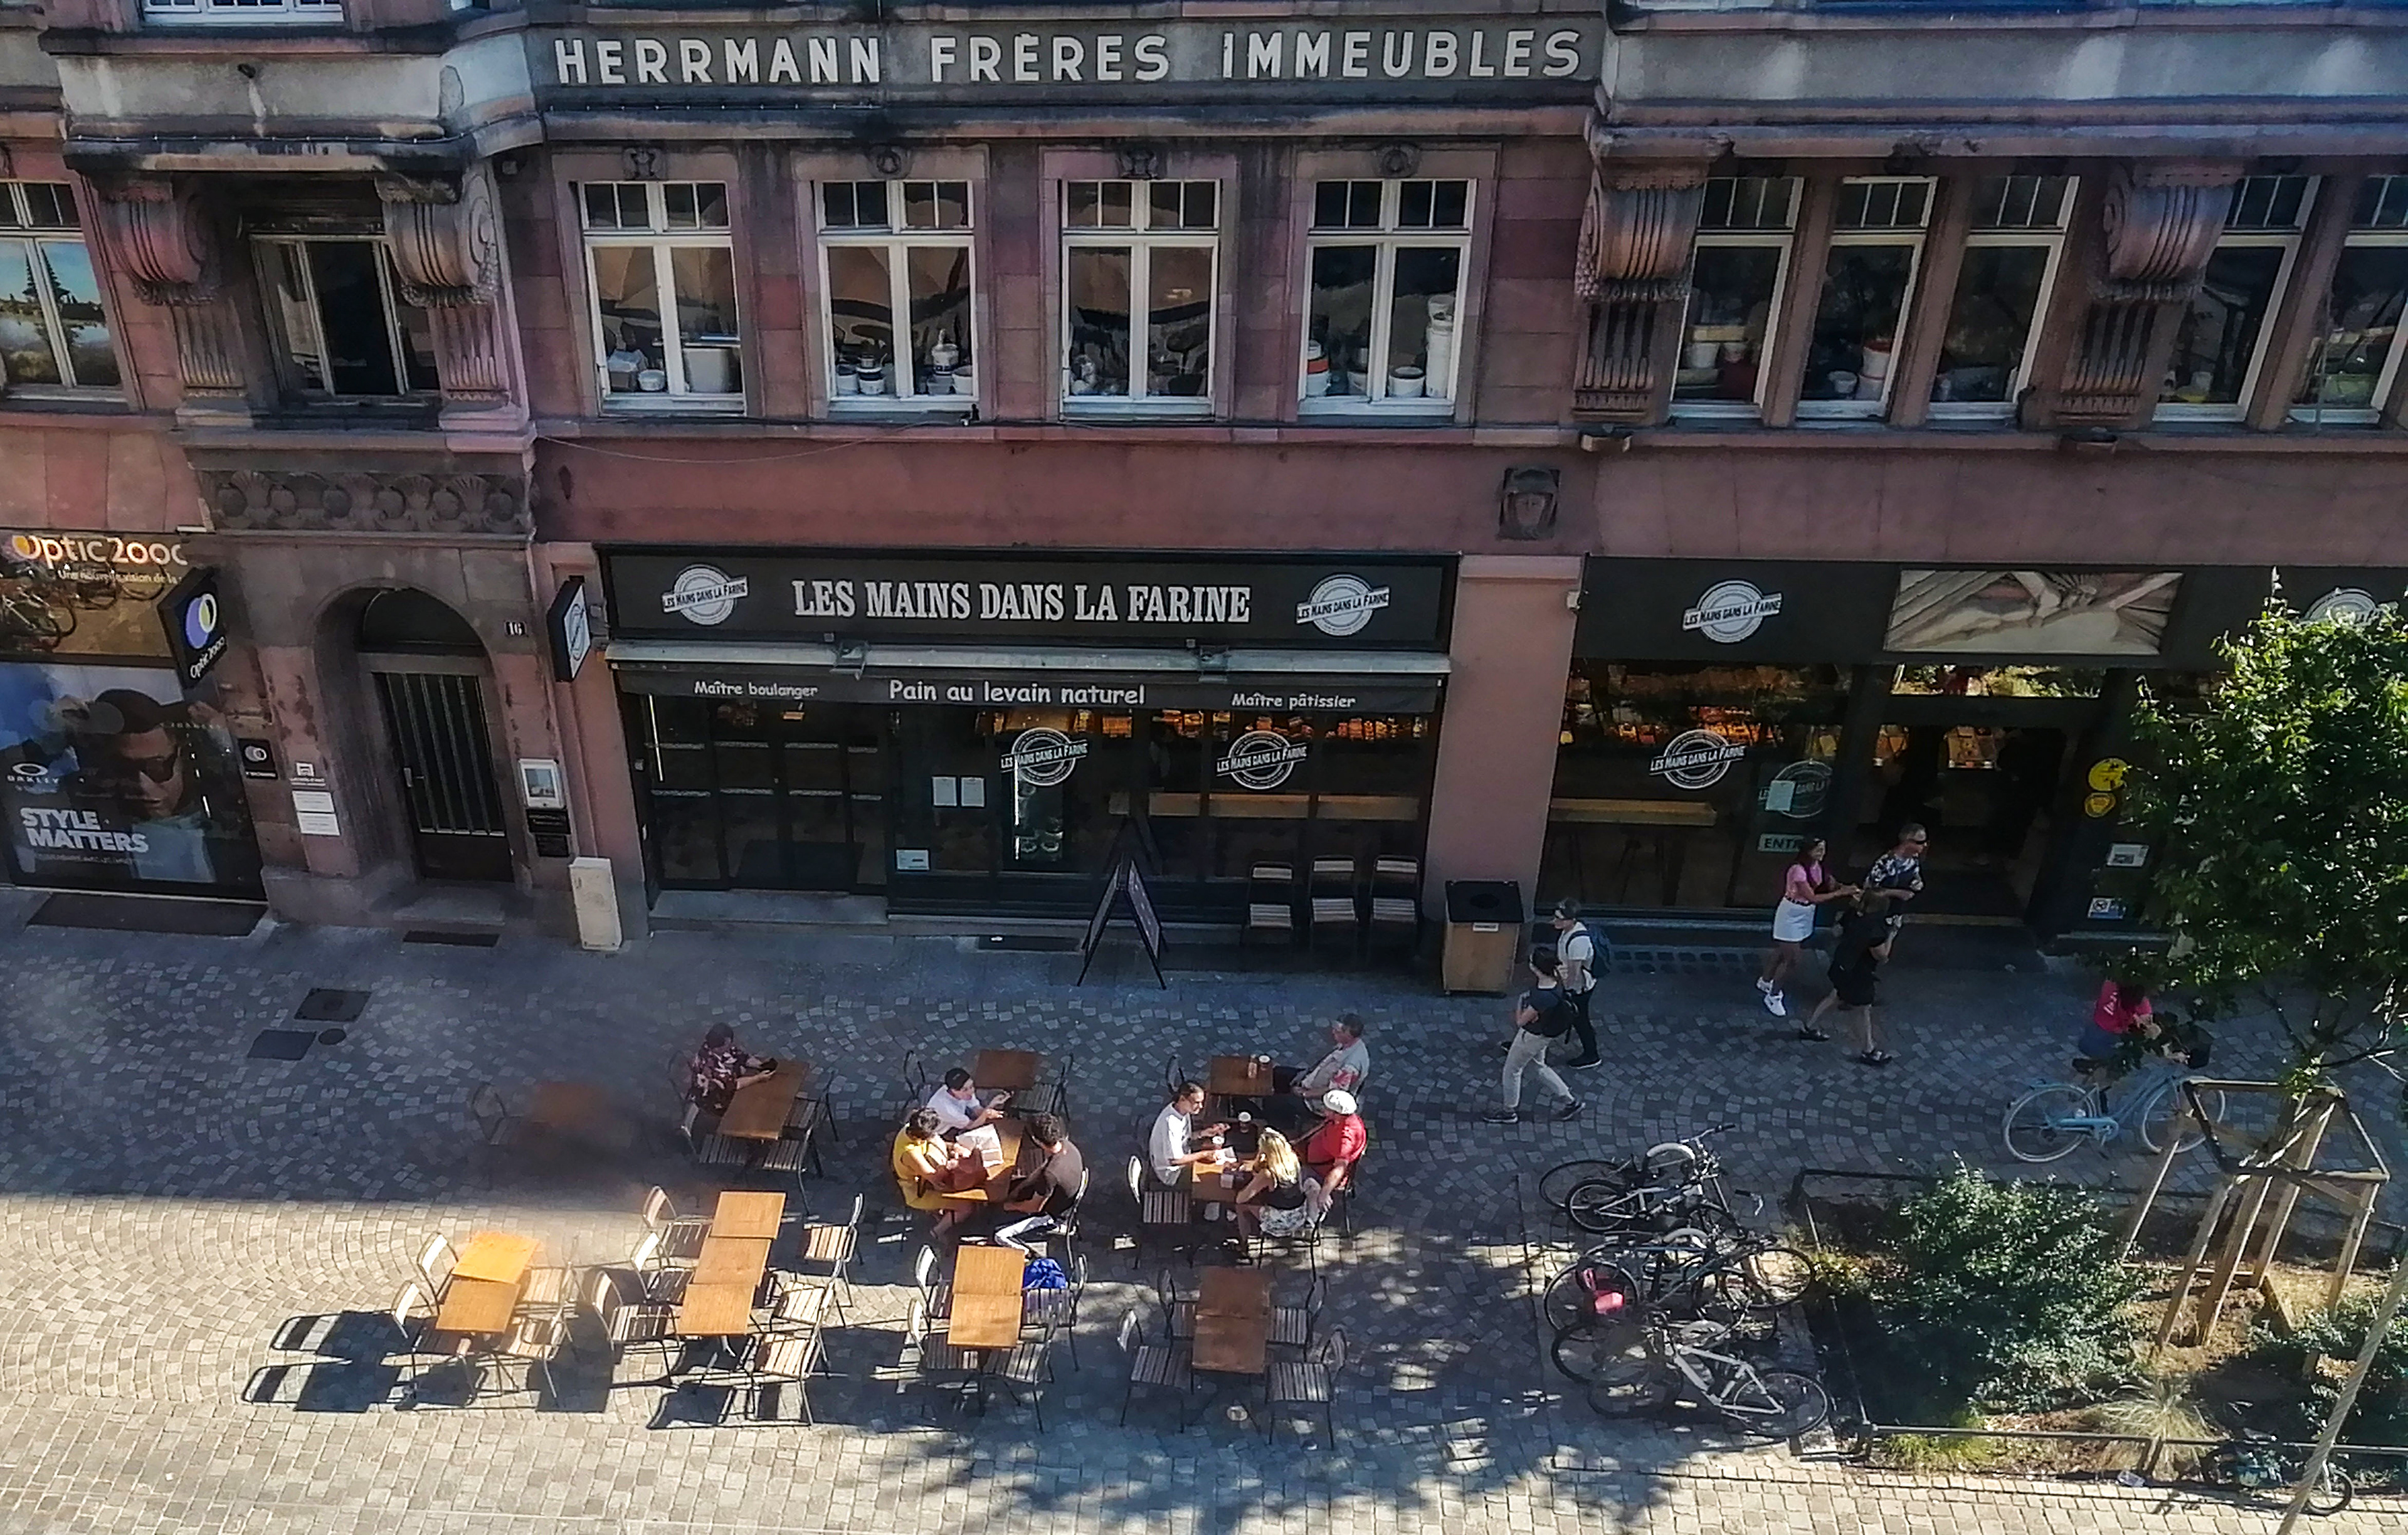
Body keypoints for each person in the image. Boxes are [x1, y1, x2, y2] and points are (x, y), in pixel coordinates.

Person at [1755, 838, 1855, 1018]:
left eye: (1823, 849)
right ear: (1807, 851)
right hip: (1791, 914)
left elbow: (1833, 884)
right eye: (1817, 850)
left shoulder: (1821, 868)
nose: (1821, 853)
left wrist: (1848, 889)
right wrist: (1841, 893)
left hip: (1805, 914)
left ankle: (1766, 981)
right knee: (1792, 959)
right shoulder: (1798, 871)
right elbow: (1812, 897)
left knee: (1782, 950)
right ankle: (1774, 995)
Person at [1485, 949, 1585, 1124]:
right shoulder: (1557, 982)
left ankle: (1509, 1111)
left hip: (1531, 1037)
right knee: (1538, 1067)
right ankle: (1570, 1102)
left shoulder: (1541, 996)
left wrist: (1520, 1005)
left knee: (1512, 1071)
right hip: (1544, 1035)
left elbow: (1521, 1022)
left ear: (1535, 968)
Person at [1798, 890, 1895, 1066]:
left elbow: (1836, 932)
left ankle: (1809, 1027)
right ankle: (1869, 1050)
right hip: (1859, 973)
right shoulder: (1875, 927)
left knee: (1836, 995)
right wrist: (1892, 935)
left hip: (1842, 963)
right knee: (1863, 1009)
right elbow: (1881, 956)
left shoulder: (1852, 915)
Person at [988, 1112, 1085, 1252]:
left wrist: (1009, 1206)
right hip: (1062, 1196)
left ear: (1036, 1140)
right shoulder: (1068, 1145)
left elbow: (1034, 1208)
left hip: (1050, 1215)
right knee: (1011, 1186)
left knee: (999, 1235)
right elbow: (1040, 1173)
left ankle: (1026, 1253)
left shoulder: (1050, 1175)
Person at [891, 1109, 990, 1240]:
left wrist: (954, 1147)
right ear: (922, 1135)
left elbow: (936, 1141)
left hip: (926, 1179)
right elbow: (935, 1178)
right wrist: (949, 1165)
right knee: (966, 1207)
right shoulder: (910, 1154)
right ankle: (936, 1232)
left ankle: (944, 1212)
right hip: (919, 1192)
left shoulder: (912, 1128)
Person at [1267, 1015, 1370, 1132]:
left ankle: (1283, 1128)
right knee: (1277, 1073)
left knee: (1273, 1102)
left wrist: (1304, 1094)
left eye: (1337, 1031)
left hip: (1318, 1102)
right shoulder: (1349, 1044)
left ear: (1349, 1035)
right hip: (1312, 1080)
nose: (1333, 1032)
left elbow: (1333, 1092)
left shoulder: (1350, 1067)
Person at [1230, 1127, 1316, 1242]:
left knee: (1241, 1207)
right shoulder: (1293, 1159)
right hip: (1299, 1215)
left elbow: (1241, 1199)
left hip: (1281, 1222)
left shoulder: (1268, 1174)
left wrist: (1258, 1159)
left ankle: (1244, 1243)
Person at [1550, 899, 1605, 1070]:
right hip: (1573, 985)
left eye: (1560, 919)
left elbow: (1574, 973)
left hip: (1579, 988)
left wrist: (1567, 990)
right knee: (1575, 1018)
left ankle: (1592, 1055)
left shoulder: (1578, 943)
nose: (1555, 921)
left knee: (1579, 1020)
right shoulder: (1569, 930)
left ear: (1571, 920)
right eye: (1555, 917)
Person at [1148, 1080, 1230, 1186]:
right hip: (1173, 1174)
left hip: (1185, 1153)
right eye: (1196, 1103)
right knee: (1212, 1179)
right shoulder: (1171, 1124)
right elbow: (1175, 1160)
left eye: (1202, 1102)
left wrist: (1203, 1133)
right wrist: (1205, 1154)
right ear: (1182, 1099)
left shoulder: (1181, 1110)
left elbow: (1183, 1137)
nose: (1201, 1107)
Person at [685, 1022, 777, 1116]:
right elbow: (734, 1085)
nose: (730, 1046)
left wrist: (760, 1065)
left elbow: (741, 1056)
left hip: (729, 1082)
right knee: (757, 1104)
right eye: (727, 1045)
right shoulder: (712, 1066)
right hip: (715, 1099)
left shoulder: (715, 1046)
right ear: (718, 1048)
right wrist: (758, 1078)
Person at [1864, 823, 1929, 942]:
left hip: (1895, 914)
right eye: (1920, 842)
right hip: (1877, 914)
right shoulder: (1886, 862)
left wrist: (1917, 883)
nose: (1925, 845)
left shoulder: (1914, 859)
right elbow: (1869, 889)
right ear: (1908, 842)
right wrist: (1898, 893)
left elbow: (1916, 875)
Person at [1296, 1088, 1367, 1188]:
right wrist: (1299, 1141)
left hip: (1318, 1171)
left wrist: (1324, 1194)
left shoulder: (1345, 1140)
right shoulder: (1341, 1118)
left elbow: (1340, 1168)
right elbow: (1322, 1127)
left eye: (1327, 1109)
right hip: (1310, 1155)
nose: (1324, 1110)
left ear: (1337, 1113)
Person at [924, 1067, 1008, 1136]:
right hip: (942, 1132)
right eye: (965, 1090)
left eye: (972, 1086)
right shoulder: (947, 1109)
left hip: (961, 1118)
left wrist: (993, 1104)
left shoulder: (967, 1092)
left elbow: (977, 1110)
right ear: (953, 1091)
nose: (971, 1092)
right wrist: (986, 1114)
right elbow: (971, 1125)